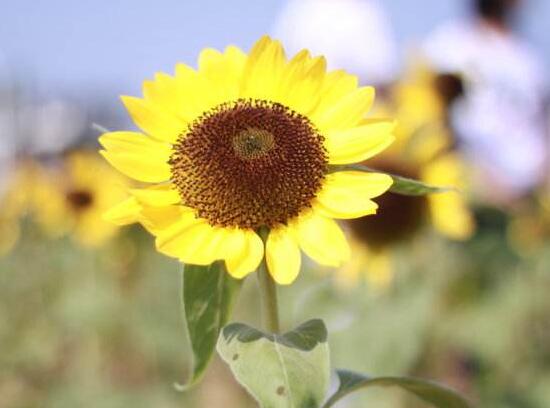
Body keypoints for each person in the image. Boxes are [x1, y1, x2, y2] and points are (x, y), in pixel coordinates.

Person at [423, 0, 548, 206]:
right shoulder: (450, 44)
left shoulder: (527, 56)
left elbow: (542, 121)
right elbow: (431, 117)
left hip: (529, 196)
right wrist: (474, 177)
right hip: (472, 192)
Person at [273, 0, 397, 86]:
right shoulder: (302, 8)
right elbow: (279, 59)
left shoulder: (366, 9)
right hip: (302, 100)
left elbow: (381, 75)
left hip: (351, 106)